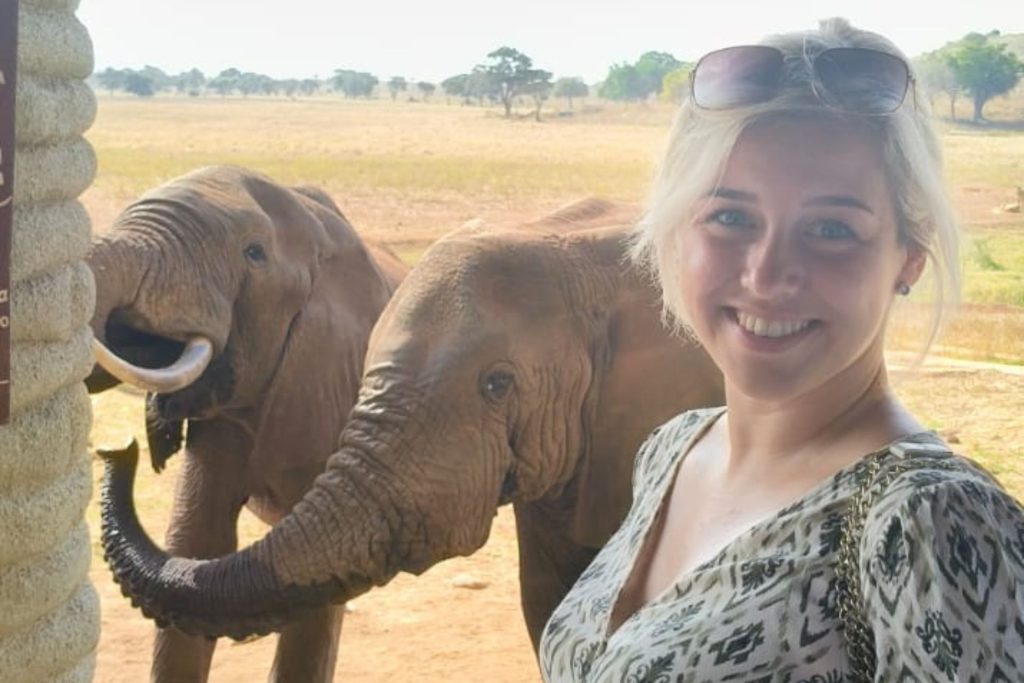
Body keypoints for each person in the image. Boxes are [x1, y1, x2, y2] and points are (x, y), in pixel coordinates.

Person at [539, 18, 1024, 681]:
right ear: (680, 230)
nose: (766, 275)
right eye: (730, 216)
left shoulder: (931, 521)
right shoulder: (674, 450)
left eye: (832, 229)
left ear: (909, 257)